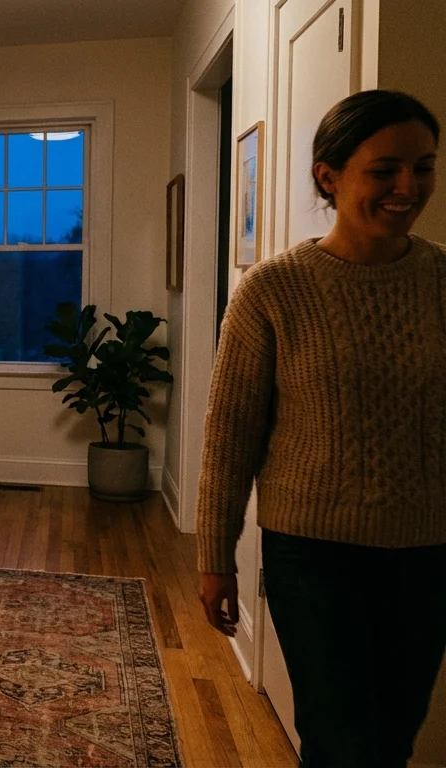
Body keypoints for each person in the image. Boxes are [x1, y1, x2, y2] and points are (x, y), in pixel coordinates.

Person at [197, 90, 442, 768]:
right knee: (342, 743)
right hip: (315, 556)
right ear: (328, 177)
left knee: (394, 737)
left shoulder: (443, 280)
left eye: (424, 167)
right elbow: (230, 437)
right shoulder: (273, 291)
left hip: (428, 552)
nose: (408, 187)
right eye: (384, 169)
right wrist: (215, 559)